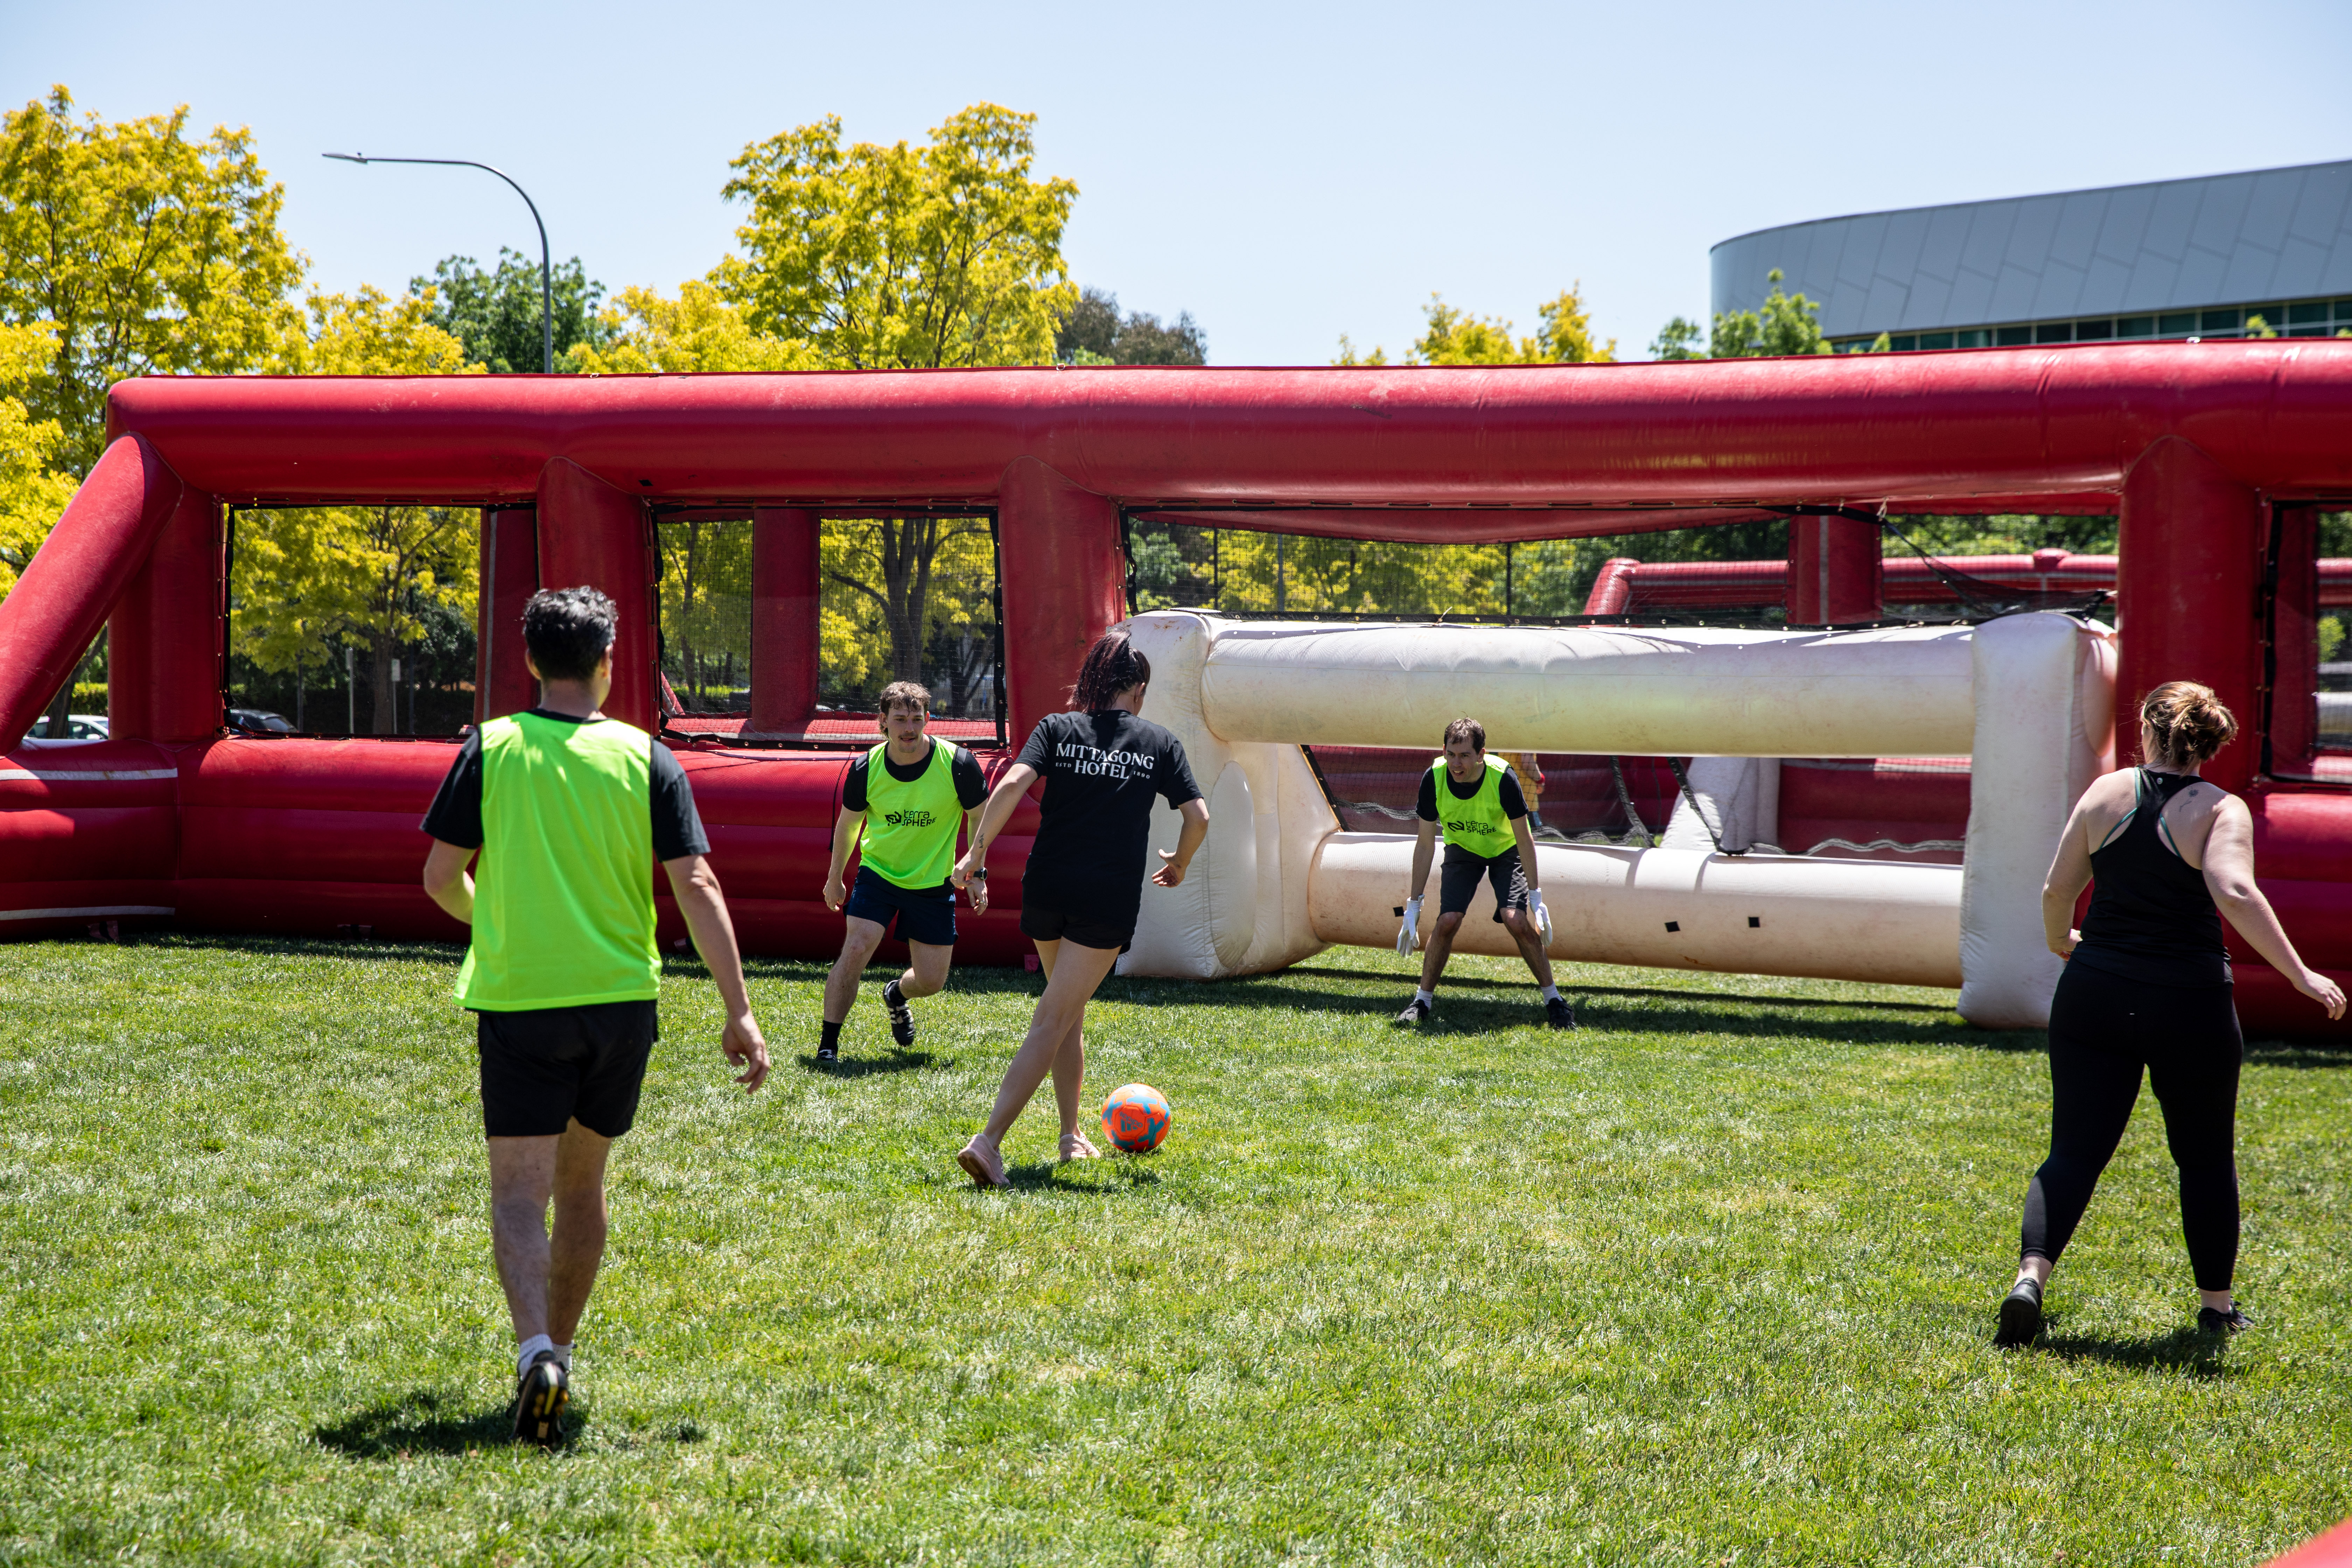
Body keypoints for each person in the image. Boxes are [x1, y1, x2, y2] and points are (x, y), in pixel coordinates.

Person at [419, 586, 770, 1444]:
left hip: (521, 1003)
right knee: (584, 1184)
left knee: (517, 1196)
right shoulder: (647, 757)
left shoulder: (491, 748)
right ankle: (563, 1360)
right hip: (622, 1005)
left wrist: (498, 922)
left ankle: (534, 1349)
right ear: (609, 664)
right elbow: (697, 884)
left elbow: (439, 877)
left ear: (533, 663)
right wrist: (741, 1011)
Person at [1995, 681, 2344, 1349]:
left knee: (2073, 1150)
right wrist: (2300, 974)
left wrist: (2058, 944)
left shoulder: (2103, 794)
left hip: (2094, 989)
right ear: (2208, 743)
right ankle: (2216, 1307)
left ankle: (2030, 1279)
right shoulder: (2221, 809)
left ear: (2148, 731)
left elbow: (2055, 889)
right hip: (2188, 1001)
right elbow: (2235, 890)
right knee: (2205, 1157)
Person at [947, 629, 1209, 1186]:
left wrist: (976, 852)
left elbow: (1014, 781)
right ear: (1137, 688)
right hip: (1102, 898)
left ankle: (1071, 1136)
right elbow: (1199, 818)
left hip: (1047, 889)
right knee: (1054, 1015)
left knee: (1068, 1010)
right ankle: (988, 1143)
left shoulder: (1056, 728)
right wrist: (1181, 863)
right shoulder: (1159, 742)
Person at [817, 680, 992, 1064]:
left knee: (932, 981)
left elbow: (981, 816)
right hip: (879, 876)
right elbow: (848, 826)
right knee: (857, 947)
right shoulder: (866, 767)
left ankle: (896, 994)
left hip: (933, 882)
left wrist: (977, 872)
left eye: (917, 718)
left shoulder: (958, 764)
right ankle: (828, 1044)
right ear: (883, 721)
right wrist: (835, 878)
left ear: (928, 719)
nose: (909, 728)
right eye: (900, 719)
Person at [1393, 717, 1575, 1029]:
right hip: (1463, 851)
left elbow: (1524, 838)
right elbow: (1425, 845)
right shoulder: (1433, 777)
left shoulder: (1502, 777)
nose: (1456, 763)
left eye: (1465, 755)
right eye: (1451, 754)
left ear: (1481, 754)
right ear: (1444, 751)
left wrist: (1536, 898)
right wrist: (1414, 905)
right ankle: (1421, 1001)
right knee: (1448, 920)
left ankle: (1555, 1000)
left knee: (1516, 920)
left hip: (1505, 851)